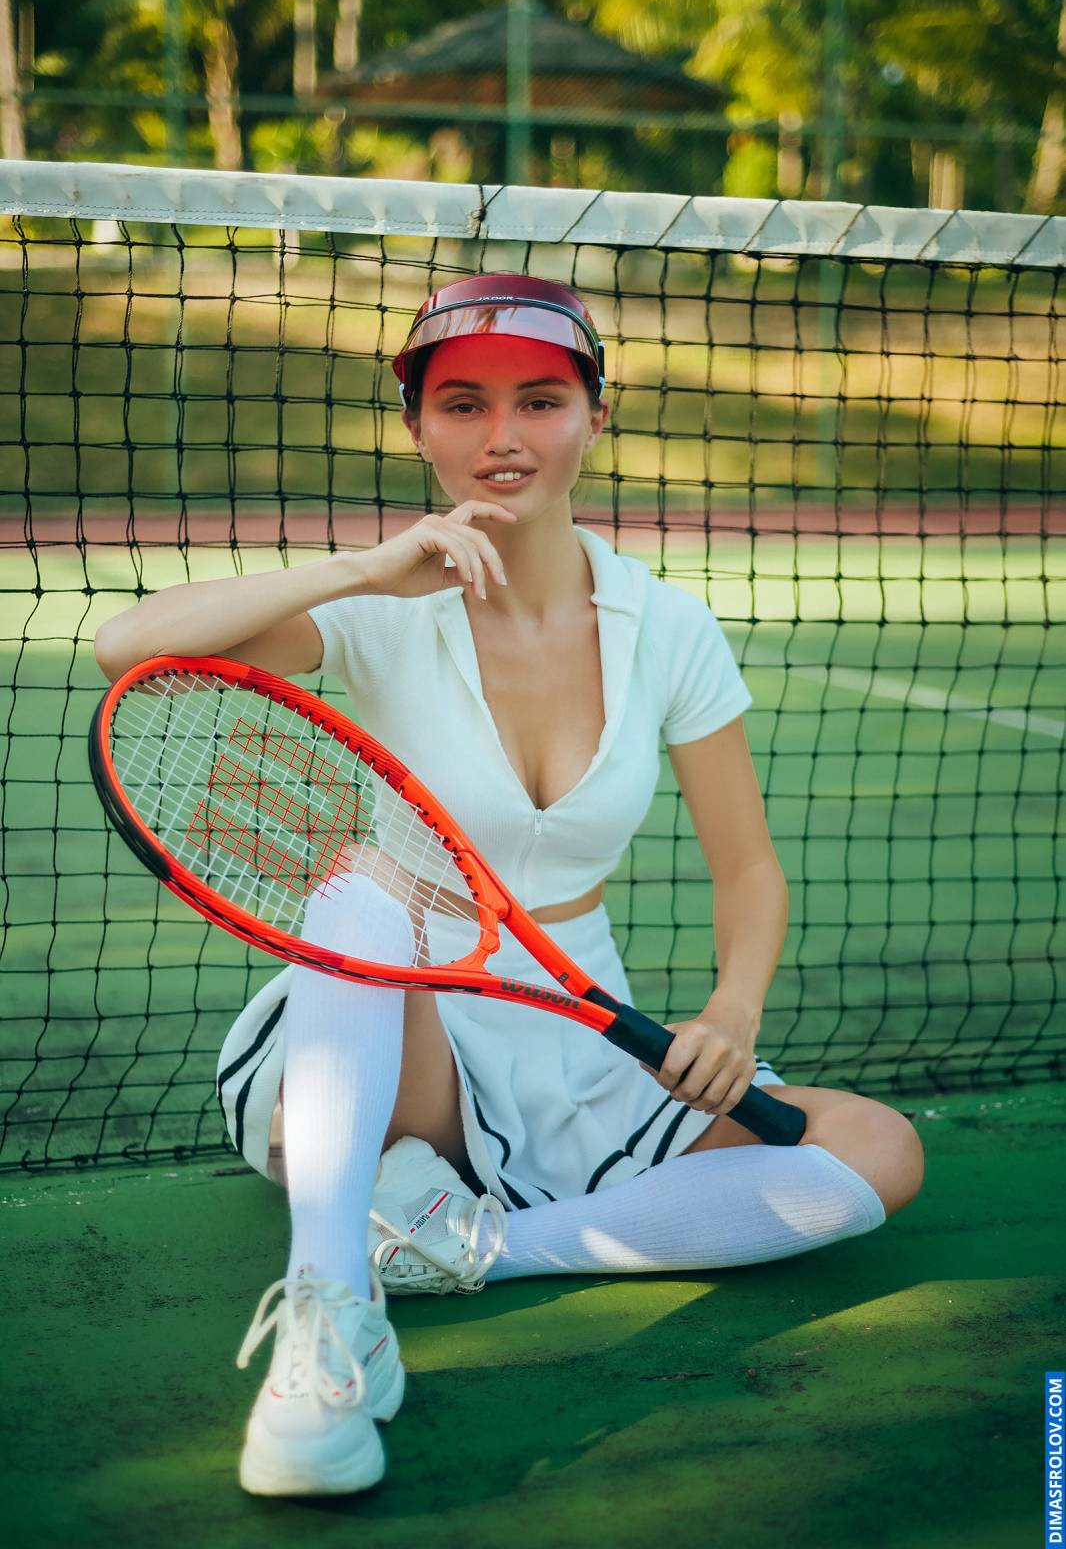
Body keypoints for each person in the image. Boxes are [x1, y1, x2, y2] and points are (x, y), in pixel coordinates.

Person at [93, 273, 925, 1498]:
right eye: (462, 405)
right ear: (418, 429)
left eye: (539, 400)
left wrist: (732, 1011)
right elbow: (126, 645)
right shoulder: (384, 611)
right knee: (362, 882)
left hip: (576, 1022)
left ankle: (468, 1244)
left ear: (594, 417)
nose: (503, 436)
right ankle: (327, 1307)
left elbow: (747, 866)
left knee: (876, 1151)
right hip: (390, 1018)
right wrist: (364, 571)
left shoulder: (668, 627)